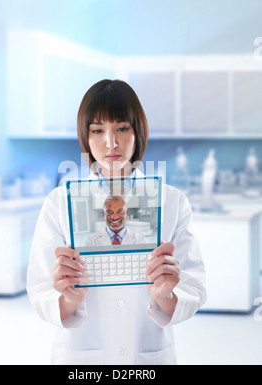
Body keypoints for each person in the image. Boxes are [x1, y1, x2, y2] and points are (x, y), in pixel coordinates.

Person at [27, 79, 206, 365]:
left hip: (147, 356)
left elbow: (194, 287)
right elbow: (39, 289)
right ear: (86, 137)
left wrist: (166, 296)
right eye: (97, 130)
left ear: (138, 132)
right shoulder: (59, 203)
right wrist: (69, 298)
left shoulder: (172, 202)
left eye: (122, 128)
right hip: (82, 358)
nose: (111, 143)